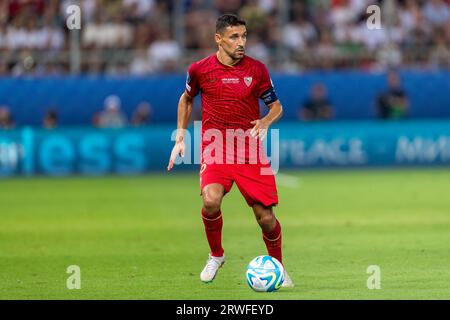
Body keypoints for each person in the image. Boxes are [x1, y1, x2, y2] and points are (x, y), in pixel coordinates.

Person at [167, 14, 293, 287]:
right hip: (216, 146)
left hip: (249, 150)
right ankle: (216, 255)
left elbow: (277, 107)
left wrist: (266, 121)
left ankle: (279, 269)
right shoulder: (200, 69)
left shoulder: (257, 70)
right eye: (235, 37)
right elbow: (186, 98)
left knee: (266, 219)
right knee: (210, 201)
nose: (241, 42)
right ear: (218, 38)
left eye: (244, 36)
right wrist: (180, 137)